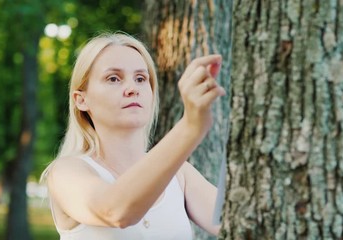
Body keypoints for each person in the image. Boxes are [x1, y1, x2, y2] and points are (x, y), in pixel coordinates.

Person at [41, 32, 225, 239]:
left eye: (140, 78)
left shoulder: (180, 174)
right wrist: (190, 127)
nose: (132, 89)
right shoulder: (66, 172)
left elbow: (241, 220)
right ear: (81, 100)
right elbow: (115, 210)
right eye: (113, 78)